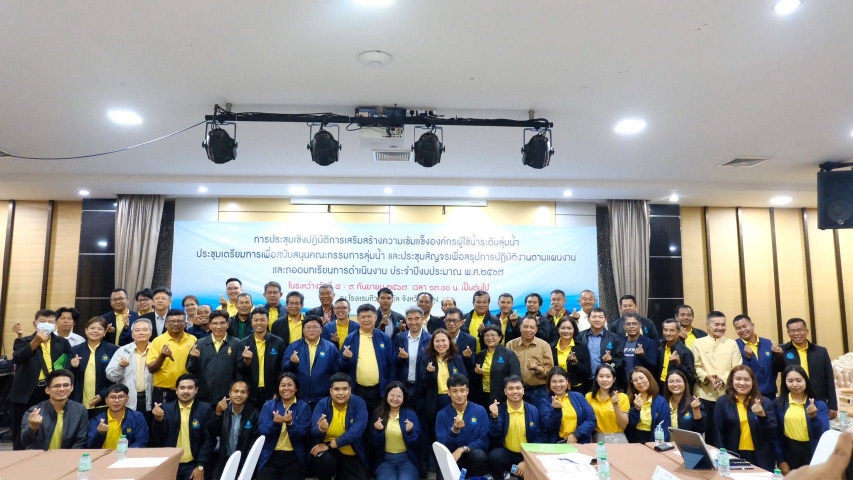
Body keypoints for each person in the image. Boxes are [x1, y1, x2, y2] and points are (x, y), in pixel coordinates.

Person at [9, 309, 72, 450]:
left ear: (55, 325)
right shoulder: (23, 341)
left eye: (50, 322)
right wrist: (35, 342)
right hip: (26, 393)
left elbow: (69, 361)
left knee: (48, 427)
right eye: (42, 321)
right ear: (35, 323)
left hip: (51, 391)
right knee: (21, 430)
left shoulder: (62, 342)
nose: (46, 324)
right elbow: (18, 359)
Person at [150, 374, 216, 480]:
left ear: (196, 390)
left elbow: (210, 439)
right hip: (170, 464)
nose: (185, 391)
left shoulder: (205, 409)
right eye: (182, 388)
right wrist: (158, 420)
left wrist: (200, 466)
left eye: (190, 388)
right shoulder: (165, 409)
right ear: (176, 390)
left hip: (194, 465)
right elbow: (157, 439)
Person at [713, 365, 777, 471]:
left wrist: (762, 415)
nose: (742, 383)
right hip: (732, 456)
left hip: (760, 458)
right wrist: (721, 458)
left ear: (753, 382)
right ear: (732, 381)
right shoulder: (722, 402)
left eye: (746, 379)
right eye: (738, 379)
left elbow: (772, 433)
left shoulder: (765, 402)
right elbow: (718, 433)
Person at [692, 310, 742, 446]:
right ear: (708, 325)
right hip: (704, 394)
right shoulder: (698, 343)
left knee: (728, 428)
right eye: (716, 324)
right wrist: (706, 376)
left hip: (727, 393)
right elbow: (695, 366)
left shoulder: (732, 344)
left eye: (723, 324)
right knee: (708, 431)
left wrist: (722, 378)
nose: (720, 327)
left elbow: (737, 367)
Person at [311, 373, 370, 480]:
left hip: (350, 451)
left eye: (344, 389)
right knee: (323, 460)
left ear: (350, 390)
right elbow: (313, 431)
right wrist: (321, 429)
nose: (341, 393)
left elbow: (356, 432)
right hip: (328, 452)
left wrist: (330, 445)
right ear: (331, 391)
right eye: (336, 389)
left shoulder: (359, 403)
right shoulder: (322, 404)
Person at [340, 303, 396, 417]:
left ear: (375, 317)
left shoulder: (384, 338)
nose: (366, 320)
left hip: (379, 391)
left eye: (369, 316)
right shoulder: (350, 339)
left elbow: (392, 364)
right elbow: (340, 365)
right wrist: (346, 358)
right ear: (358, 319)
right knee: (359, 420)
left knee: (378, 421)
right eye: (363, 317)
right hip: (357, 390)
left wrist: (389, 388)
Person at [778, 318, 838, 419]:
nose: (797, 333)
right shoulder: (782, 350)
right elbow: (775, 369)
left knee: (818, 426)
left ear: (806, 331)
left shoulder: (821, 351)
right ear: (788, 332)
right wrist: (777, 356)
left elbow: (829, 379)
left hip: (818, 398)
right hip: (792, 399)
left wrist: (833, 405)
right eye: (792, 331)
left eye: (800, 330)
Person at [774, 365, 830, 473]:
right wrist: (780, 460)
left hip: (813, 451)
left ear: (806, 381)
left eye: (799, 380)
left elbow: (823, 434)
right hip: (789, 452)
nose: (795, 384)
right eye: (790, 381)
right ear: (785, 382)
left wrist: (813, 417)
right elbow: (775, 434)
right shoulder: (778, 404)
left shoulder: (819, 405)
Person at [257, 373, 313, 480]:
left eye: (290, 385)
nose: (286, 388)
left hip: (294, 457)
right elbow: (262, 431)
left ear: (296, 388)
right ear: (278, 388)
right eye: (283, 385)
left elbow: (305, 434)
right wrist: (274, 423)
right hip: (270, 456)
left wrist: (291, 424)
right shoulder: (268, 405)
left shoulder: (303, 406)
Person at [486, 376, 543, 480]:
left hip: (527, 454)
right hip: (507, 453)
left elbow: (539, 437)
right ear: (505, 391)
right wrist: (494, 418)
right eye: (511, 388)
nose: (515, 391)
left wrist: (526, 460)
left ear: (523, 390)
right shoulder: (499, 410)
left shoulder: (533, 410)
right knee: (494, 457)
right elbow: (494, 436)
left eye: (518, 388)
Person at [281, 316, 344, 409]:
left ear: (321, 330)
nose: (311, 330)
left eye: (315, 327)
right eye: (308, 327)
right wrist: (292, 363)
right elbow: (284, 367)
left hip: (323, 398)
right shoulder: (293, 346)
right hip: (299, 398)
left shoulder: (330, 348)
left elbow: (337, 371)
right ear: (303, 330)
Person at [435, 374, 489, 478]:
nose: (459, 395)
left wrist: (463, 449)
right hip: (451, 458)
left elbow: (484, 440)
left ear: (467, 391)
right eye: (454, 391)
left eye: (462, 390)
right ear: (449, 393)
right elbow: (442, 445)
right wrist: (454, 430)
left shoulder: (480, 410)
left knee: (479, 455)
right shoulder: (442, 414)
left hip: (472, 456)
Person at [21, 369, 88, 450]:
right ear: (47, 390)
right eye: (57, 386)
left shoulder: (80, 410)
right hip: (40, 456)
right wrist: (33, 427)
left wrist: (69, 456)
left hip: (68, 456)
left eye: (66, 385)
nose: (62, 389)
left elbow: (80, 441)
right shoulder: (33, 412)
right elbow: (25, 441)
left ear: (72, 388)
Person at [185, 310, 241, 403]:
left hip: (228, 396)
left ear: (227, 324)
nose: (218, 326)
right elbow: (190, 369)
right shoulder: (200, 343)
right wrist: (193, 358)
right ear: (210, 325)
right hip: (204, 395)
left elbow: (240, 370)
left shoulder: (236, 343)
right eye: (215, 323)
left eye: (222, 323)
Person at [370, 381, 421, 480]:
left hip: (407, 460)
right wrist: (378, 431)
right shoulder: (378, 413)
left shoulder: (410, 414)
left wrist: (410, 432)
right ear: (386, 396)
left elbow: (417, 443)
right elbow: (373, 443)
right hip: (385, 460)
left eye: (399, 396)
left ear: (404, 397)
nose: (395, 399)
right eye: (392, 395)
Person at [69, 317, 118, 417]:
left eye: (100, 329)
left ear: (105, 332)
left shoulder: (113, 350)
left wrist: (103, 394)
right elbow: (66, 375)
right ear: (86, 331)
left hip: (103, 401)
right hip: (78, 401)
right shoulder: (75, 350)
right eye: (92, 328)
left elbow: (116, 377)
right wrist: (72, 366)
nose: (95, 331)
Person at [147, 308, 197, 404]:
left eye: (179, 321)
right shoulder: (158, 341)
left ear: (185, 324)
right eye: (172, 321)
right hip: (163, 391)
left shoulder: (193, 340)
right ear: (166, 324)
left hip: (187, 390)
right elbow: (151, 369)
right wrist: (162, 356)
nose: (176, 324)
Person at [238, 307, 285, 409]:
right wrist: (246, 361)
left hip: (272, 393)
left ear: (268, 321)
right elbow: (239, 370)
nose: (259, 323)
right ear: (251, 322)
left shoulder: (278, 342)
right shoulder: (243, 343)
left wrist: (278, 391)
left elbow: (281, 369)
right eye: (256, 320)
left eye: (262, 320)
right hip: (251, 394)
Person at [418, 329, 467, 427]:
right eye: (437, 341)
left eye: (443, 340)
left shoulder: (457, 359)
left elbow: (465, 379)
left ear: (449, 341)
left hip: (453, 398)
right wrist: (429, 373)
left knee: (454, 425)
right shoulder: (426, 359)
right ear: (432, 343)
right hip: (434, 400)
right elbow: (423, 383)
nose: (441, 344)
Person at [105, 318, 153, 418]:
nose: (141, 333)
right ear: (132, 334)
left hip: (151, 398)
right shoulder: (122, 351)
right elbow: (110, 376)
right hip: (128, 400)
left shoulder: (156, 349)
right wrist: (120, 366)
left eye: (144, 330)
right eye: (137, 330)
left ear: (151, 333)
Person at [212, 380, 259, 479]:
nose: (239, 395)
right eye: (236, 391)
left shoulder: (254, 414)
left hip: (244, 463)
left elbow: (254, 441)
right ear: (230, 393)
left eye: (243, 392)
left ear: (248, 394)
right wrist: (217, 413)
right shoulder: (222, 411)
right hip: (223, 462)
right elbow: (212, 432)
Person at [539, 366, 596, 444]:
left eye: (561, 381)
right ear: (549, 383)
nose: (558, 385)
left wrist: (576, 435)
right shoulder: (545, 402)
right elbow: (549, 427)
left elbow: (591, 419)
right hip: (558, 444)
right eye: (554, 381)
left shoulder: (578, 396)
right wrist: (556, 411)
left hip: (580, 442)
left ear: (567, 382)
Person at [506, 316, 554, 406]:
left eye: (532, 327)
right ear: (520, 327)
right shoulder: (510, 345)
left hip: (539, 391)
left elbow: (550, 370)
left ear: (536, 329)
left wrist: (537, 368)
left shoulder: (544, 345)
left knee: (543, 414)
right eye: (525, 327)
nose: (528, 330)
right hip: (516, 391)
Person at [577, 307, 626, 390]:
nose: (597, 320)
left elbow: (622, 362)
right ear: (588, 319)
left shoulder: (614, 338)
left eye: (600, 317)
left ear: (605, 320)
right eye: (594, 317)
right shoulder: (580, 336)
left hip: (607, 381)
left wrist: (611, 360)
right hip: (585, 381)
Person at [472, 325, 521, 406]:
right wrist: (476, 372)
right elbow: (473, 377)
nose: (489, 338)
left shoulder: (509, 354)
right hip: (482, 395)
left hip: (501, 396)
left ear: (500, 337)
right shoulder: (480, 355)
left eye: (493, 335)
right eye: (486, 335)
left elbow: (515, 377)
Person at [86, 383, 149, 448]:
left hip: (128, 454)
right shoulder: (97, 419)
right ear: (106, 400)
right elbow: (90, 445)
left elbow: (141, 442)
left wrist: (124, 453)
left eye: (121, 397)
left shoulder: (137, 417)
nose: (116, 400)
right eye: (112, 397)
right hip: (103, 454)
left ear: (127, 399)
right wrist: (100, 434)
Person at [733, 314, 779, 399]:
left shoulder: (768, 343)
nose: (742, 330)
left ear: (752, 325)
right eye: (738, 328)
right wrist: (748, 358)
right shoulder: (734, 346)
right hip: (746, 394)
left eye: (744, 326)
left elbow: (777, 368)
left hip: (769, 393)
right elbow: (736, 371)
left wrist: (778, 355)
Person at [392, 306, 431, 403]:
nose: (413, 322)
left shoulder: (430, 339)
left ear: (422, 319)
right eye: (410, 319)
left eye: (417, 318)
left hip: (422, 387)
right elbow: (393, 362)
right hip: (403, 386)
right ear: (406, 320)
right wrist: (401, 358)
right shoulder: (399, 337)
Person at [585, 364, 630, 443]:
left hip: (618, 437)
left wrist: (616, 405)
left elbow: (623, 425)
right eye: (601, 376)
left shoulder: (622, 397)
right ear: (596, 378)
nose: (604, 380)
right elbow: (587, 421)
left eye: (608, 376)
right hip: (597, 437)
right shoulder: (589, 397)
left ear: (614, 379)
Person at [626, 366, 670, 443]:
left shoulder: (661, 402)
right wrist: (636, 409)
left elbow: (664, 428)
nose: (639, 382)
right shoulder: (629, 399)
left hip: (653, 440)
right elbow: (628, 426)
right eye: (635, 380)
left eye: (641, 378)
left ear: (648, 378)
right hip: (633, 440)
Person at [550, 317, 591, 394]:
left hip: (576, 389)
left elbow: (588, 372)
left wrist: (576, 362)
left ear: (574, 329)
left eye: (569, 328)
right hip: (557, 388)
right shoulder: (551, 347)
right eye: (563, 328)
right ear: (558, 329)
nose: (566, 331)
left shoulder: (582, 347)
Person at [656, 318, 695, 391]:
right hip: (661, 386)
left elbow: (691, 378)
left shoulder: (685, 352)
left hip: (676, 388)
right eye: (665, 330)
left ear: (679, 332)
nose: (668, 333)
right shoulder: (661, 349)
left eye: (671, 330)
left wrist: (679, 364)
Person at [663, 370, 705, 434]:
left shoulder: (694, 402)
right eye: (671, 382)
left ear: (685, 383)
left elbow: (701, 429)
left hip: (688, 440)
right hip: (665, 440)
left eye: (678, 381)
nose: (675, 384)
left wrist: (696, 410)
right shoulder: (663, 402)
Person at [621, 313, 658, 378]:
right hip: (623, 381)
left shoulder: (649, 343)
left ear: (640, 325)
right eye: (628, 324)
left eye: (634, 324)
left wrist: (642, 356)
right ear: (624, 326)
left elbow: (653, 367)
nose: (631, 326)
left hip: (640, 381)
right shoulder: (620, 342)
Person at [442, 308, 476, 372]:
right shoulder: (439, 338)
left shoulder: (470, 340)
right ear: (444, 321)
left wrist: (467, 357)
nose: (451, 324)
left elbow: (471, 366)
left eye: (455, 321)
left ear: (461, 322)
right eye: (448, 320)